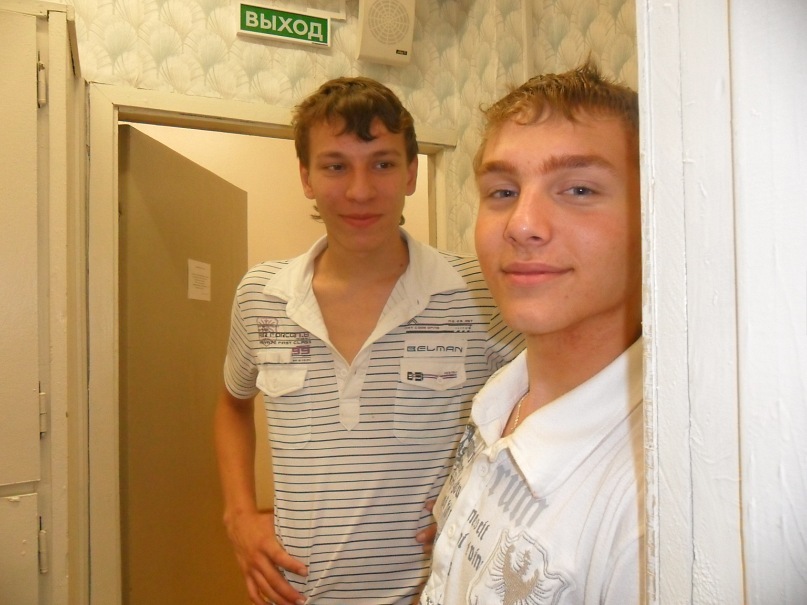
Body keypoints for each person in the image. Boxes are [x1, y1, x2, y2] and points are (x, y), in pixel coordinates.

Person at [214, 76, 524, 605]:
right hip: (296, 593)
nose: (360, 190)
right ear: (306, 177)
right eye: (336, 166)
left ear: (411, 172)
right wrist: (239, 514)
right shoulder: (261, 296)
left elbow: (548, 400)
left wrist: (482, 500)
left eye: (382, 163)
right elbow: (232, 403)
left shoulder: (479, 292)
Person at [420, 61, 644, 604]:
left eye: (579, 189)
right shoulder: (497, 400)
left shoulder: (647, 504)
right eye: (502, 191)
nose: (521, 224)